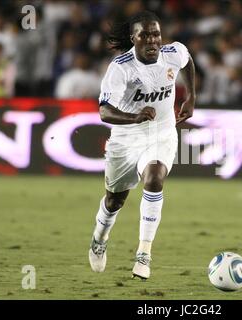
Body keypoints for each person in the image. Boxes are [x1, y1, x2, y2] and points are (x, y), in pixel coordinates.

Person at [88, 11, 196, 280]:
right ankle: (99, 239)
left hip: (161, 133)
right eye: (145, 35)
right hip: (126, 139)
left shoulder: (173, 53)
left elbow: (188, 60)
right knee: (114, 200)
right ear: (133, 38)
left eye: (156, 34)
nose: (152, 40)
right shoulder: (121, 68)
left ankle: (144, 253)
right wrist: (133, 117)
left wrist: (191, 96)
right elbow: (104, 112)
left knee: (155, 177)